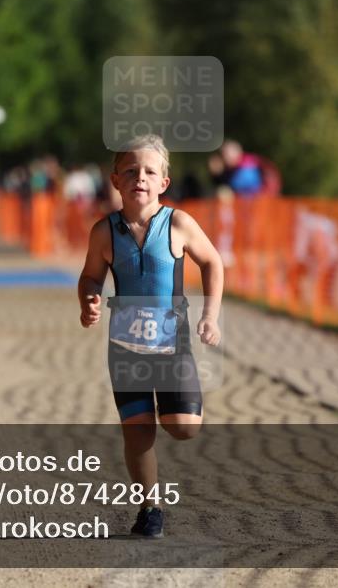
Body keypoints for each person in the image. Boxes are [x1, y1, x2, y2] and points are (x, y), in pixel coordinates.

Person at [77, 134, 223, 538]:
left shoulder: (177, 223)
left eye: (149, 171)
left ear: (163, 182)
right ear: (115, 180)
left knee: (183, 426)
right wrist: (88, 299)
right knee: (138, 431)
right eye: (130, 170)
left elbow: (212, 261)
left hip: (171, 341)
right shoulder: (104, 231)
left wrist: (210, 315)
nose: (139, 177)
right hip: (125, 345)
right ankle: (150, 507)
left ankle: (170, 405)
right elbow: (90, 276)